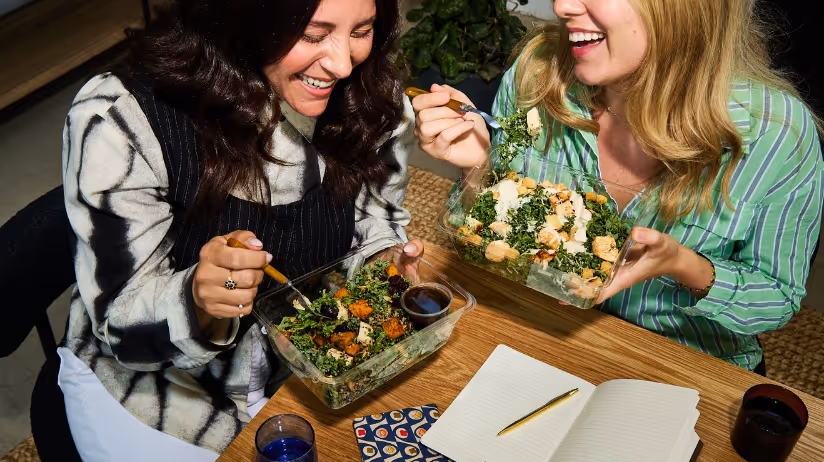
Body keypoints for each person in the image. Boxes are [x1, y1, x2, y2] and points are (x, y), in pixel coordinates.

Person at [58, 0, 421, 460]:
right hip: (157, 394)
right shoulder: (120, 116)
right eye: (313, 34)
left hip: (304, 365)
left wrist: (385, 263)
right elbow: (120, 326)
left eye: (362, 30)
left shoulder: (370, 94)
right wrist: (198, 299)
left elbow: (376, 220)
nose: (342, 62)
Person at [411, 0, 823, 375]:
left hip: (684, 365)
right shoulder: (538, 70)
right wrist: (480, 166)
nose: (561, 6)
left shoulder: (778, 133)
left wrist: (684, 265)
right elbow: (473, 235)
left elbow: (777, 299)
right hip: (536, 328)